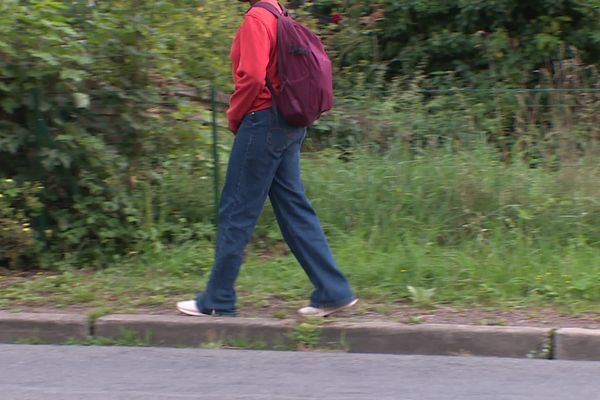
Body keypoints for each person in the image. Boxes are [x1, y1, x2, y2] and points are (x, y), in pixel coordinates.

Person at [176, 0, 357, 317]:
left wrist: (235, 117)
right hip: (288, 122)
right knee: (293, 207)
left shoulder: (257, 18)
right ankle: (333, 291)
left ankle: (217, 298)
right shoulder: (281, 15)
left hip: (262, 122)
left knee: (237, 208)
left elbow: (253, 78)